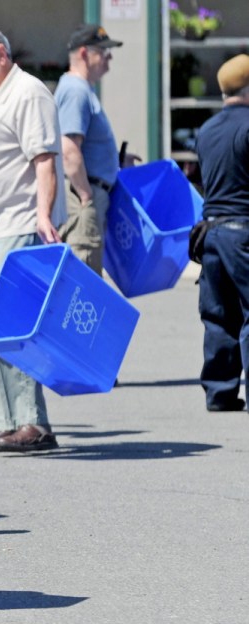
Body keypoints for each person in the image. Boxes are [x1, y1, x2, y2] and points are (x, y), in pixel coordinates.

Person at [0, 23, 67, 452]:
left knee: (16, 329)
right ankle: (5, 423)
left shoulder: (28, 92)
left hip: (20, 228)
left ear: (1, 53)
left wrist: (42, 214)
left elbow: (44, 160)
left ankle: (32, 423)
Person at [55, 23, 138, 274]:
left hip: (88, 190)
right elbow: (69, 149)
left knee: (87, 275)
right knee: (85, 279)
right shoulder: (75, 90)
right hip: (83, 195)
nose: (109, 57)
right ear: (83, 53)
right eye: (103, 51)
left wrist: (115, 159)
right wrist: (86, 196)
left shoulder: (81, 89)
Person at [194, 53, 249, 412]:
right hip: (243, 231)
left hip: (211, 232)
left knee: (218, 315)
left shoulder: (206, 130)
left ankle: (220, 391)